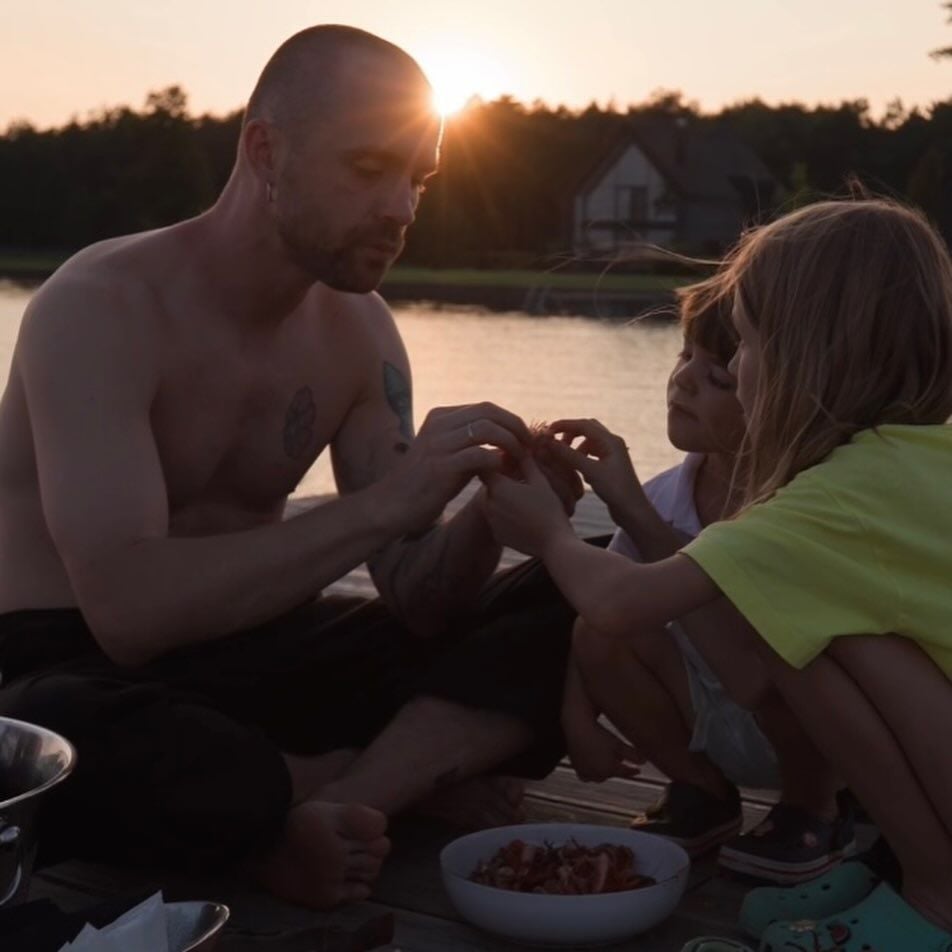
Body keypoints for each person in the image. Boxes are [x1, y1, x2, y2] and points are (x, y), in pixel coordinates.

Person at [0, 25, 582, 910]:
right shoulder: (100, 306)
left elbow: (418, 599)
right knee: (76, 745)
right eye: (368, 169)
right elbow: (128, 613)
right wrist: (385, 506)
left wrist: (483, 518)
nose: (401, 209)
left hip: (250, 651)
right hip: (58, 663)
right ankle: (358, 782)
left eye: (417, 180)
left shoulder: (360, 333)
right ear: (266, 151)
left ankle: (339, 802)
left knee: (560, 603)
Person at [482, 197, 952, 950]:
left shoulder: (839, 498)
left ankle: (935, 903)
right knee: (811, 617)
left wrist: (544, 533)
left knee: (817, 627)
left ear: (806, 357)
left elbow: (615, 599)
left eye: (745, 345)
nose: (731, 365)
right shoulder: (921, 453)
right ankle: (897, 869)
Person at [560, 273, 857, 884]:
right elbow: (607, 601)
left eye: (719, 375)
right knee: (598, 633)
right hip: (711, 715)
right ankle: (702, 792)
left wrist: (630, 517)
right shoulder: (669, 495)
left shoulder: (805, 503)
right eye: (683, 355)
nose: (684, 379)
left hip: (817, 734)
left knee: (793, 656)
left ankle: (813, 808)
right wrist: (574, 717)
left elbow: (758, 657)